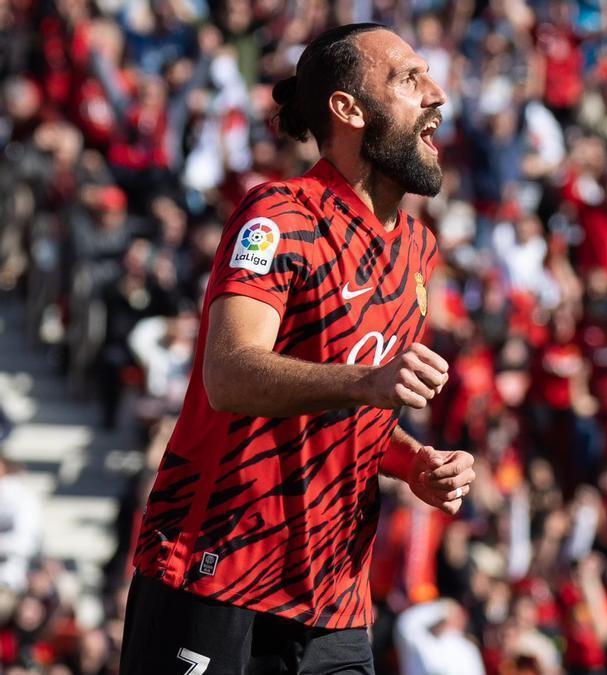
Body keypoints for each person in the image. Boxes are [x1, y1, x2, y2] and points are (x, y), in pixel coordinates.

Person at [119, 23, 475, 675]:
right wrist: (368, 382)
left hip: (334, 602)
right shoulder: (278, 217)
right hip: (216, 574)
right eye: (408, 78)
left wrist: (411, 459)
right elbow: (229, 373)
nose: (437, 94)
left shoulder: (420, 251)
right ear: (348, 109)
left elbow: (358, 407)